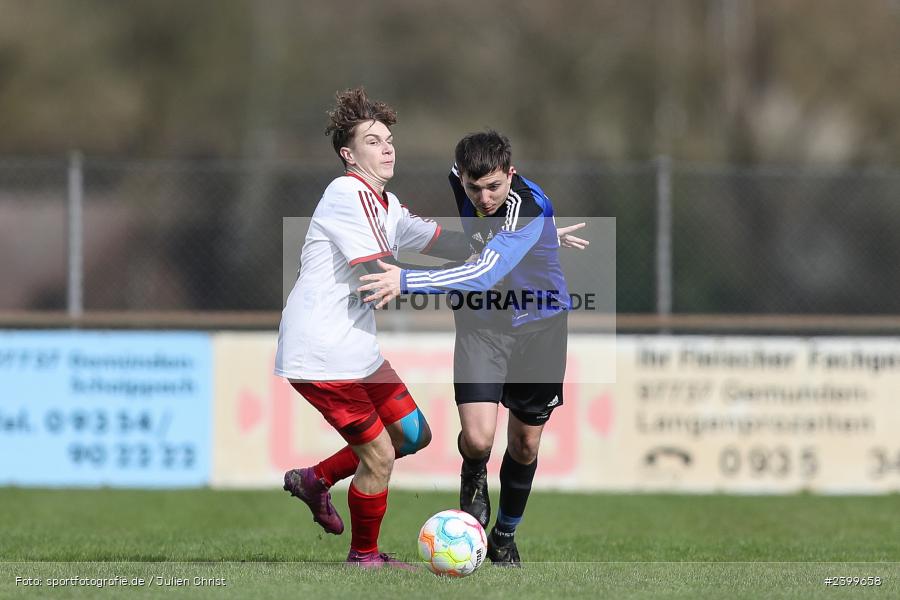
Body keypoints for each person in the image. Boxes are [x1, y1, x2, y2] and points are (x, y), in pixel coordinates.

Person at [359, 130, 586, 567]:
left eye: (494, 186)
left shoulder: (527, 207)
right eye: (473, 187)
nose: (484, 198)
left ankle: (504, 535)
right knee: (479, 440)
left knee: (525, 445)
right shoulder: (463, 179)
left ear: (511, 173)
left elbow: (482, 272)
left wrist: (405, 279)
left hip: (540, 327)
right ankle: (473, 470)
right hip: (483, 324)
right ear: (460, 176)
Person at [275, 87, 473, 569]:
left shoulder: (386, 204)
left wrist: (519, 240)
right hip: (323, 352)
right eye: (373, 141)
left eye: (388, 140)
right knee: (380, 455)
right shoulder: (347, 193)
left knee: (412, 434)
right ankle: (364, 557)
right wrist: (463, 280)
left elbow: (441, 241)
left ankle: (316, 479)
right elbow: (379, 271)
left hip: (357, 350)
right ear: (349, 155)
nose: (387, 148)